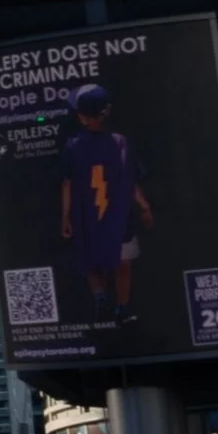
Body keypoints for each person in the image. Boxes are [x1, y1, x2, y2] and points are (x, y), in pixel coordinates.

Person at [59, 84, 153, 324]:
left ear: (81, 116)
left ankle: (100, 298)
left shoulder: (73, 146)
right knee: (123, 263)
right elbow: (131, 182)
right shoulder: (121, 142)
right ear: (106, 112)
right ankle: (122, 306)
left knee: (92, 260)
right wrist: (145, 207)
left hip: (87, 215)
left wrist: (66, 217)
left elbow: (67, 184)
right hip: (118, 215)